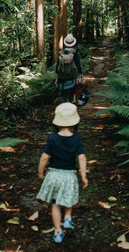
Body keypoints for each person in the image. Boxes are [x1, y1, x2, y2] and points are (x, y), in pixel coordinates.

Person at [37, 102, 89, 244]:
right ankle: (67, 218)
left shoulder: (52, 138)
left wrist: (41, 173)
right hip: (70, 176)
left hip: (54, 175)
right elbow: (82, 157)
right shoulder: (77, 139)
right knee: (69, 197)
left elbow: (45, 157)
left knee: (55, 204)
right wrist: (83, 175)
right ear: (74, 122)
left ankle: (58, 232)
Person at [55, 34, 83, 102]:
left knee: (63, 95)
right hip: (72, 77)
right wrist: (81, 77)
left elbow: (57, 66)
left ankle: (63, 110)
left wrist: (56, 79)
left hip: (62, 78)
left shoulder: (61, 53)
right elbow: (78, 66)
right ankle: (70, 110)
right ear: (73, 42)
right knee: (71, 95)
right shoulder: (75, 52)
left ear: (65, 42)